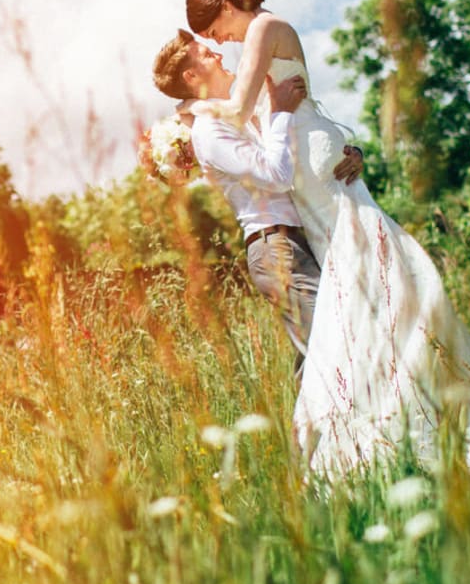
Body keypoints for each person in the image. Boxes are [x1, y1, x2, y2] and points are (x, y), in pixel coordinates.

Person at [181, 0, 470, 475]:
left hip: (314, 169)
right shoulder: (258, 37)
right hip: (309, 173)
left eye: (213, 26)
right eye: (207, 35)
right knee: (360, 294)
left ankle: (395, 428)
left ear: (227, 4)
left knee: (367, 285)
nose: (218, 39)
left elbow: (243, 108)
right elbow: (256, 125)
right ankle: (402, 419)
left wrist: (193, 110)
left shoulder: (264, 27)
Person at [150, 29, 361, 374]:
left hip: (304, 237)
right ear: (191, 76)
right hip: (277, 248)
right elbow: (276, 176)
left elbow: (298, 157)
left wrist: (348, 154)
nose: (217, 55)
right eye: (205, 54)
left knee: (332, 346)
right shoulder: (209, 132)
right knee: (332, 346)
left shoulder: (238, 116)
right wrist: (280, 111)